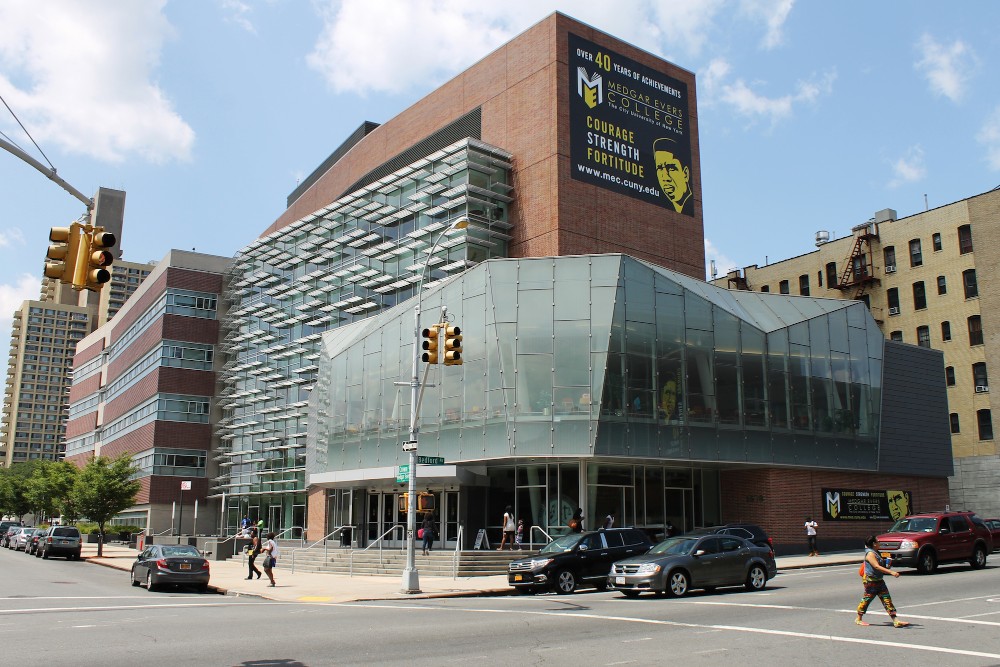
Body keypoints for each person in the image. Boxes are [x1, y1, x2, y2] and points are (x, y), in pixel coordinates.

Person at [856, 535, 908, 627]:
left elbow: (879, 566)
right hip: (871, 581)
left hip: (879, 580)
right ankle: (858, 619)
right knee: (867, 599)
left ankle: (895, 620)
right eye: (877, 542)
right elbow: (876, 566)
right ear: (874, 544)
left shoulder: (876, 552)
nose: (879, 543)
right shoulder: (870, 554)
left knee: (887, 599)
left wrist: (887, 564)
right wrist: (891, 572)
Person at [653, 137, 693, 215]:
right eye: (660, 168)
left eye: (671, 168)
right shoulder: (666, 208)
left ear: (685, 174)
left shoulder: (689, 208)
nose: (665, 177)